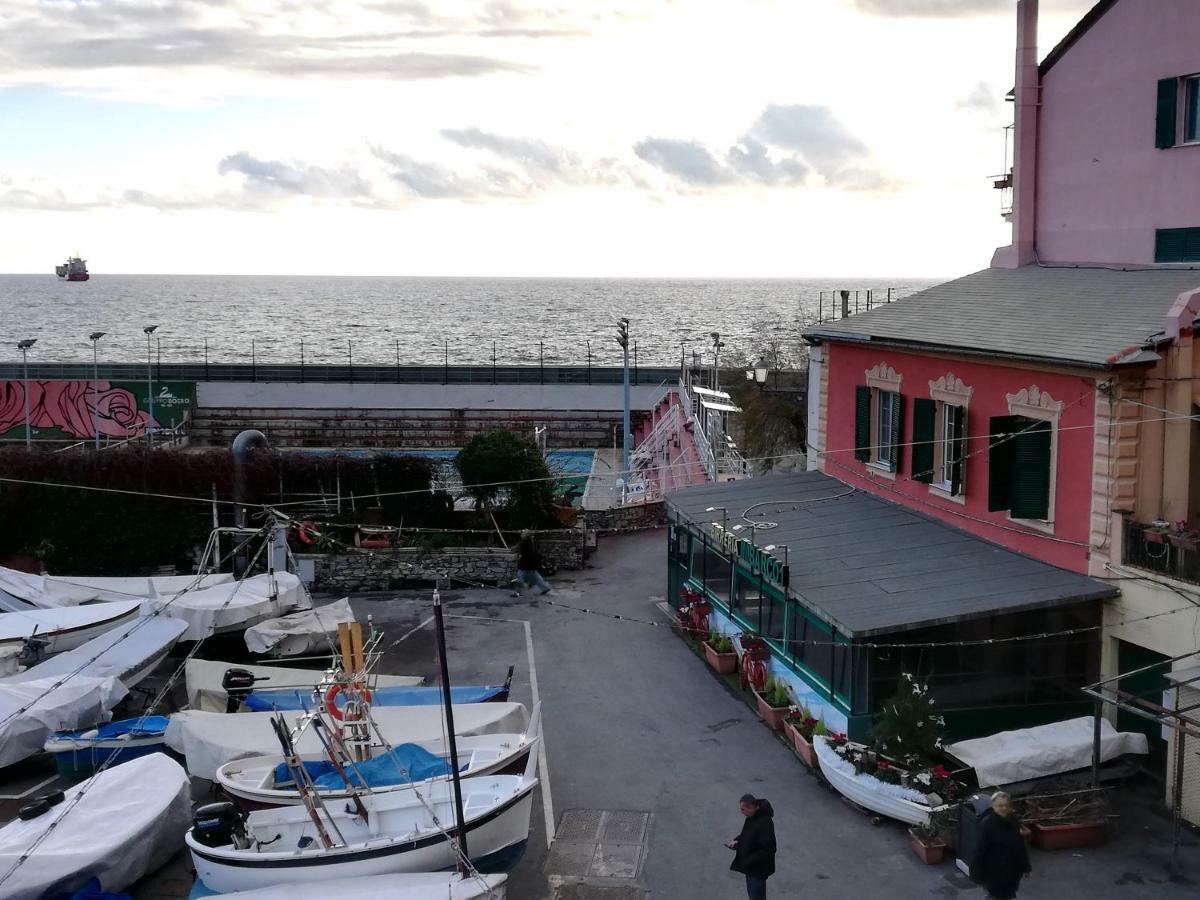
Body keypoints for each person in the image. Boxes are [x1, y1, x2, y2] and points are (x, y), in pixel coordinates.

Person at [970, 791, 1031, 899]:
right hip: (994, 873)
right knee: (999, 895)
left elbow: (1019, 845)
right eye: (1000, 805)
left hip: (1012, 871)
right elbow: (979, 851)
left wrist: (1026, 867)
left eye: (1006, 805)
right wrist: (977, 876)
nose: (1003, 808)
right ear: (993, 806)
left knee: (1006, 895)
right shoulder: (987, 825)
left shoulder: (1013, 821)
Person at [726, 794, 775, 900]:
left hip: (757, 870)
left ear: (751, 807)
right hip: (751, 867)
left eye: (743, 809)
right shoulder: (752, 817)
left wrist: (748, 860)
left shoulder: (764, 823)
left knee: (756, 897)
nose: (741, 812)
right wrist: (737, 841)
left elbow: (769, 849)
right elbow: (748, 834)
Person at [511, 530, 552, 597]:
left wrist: (513, 549)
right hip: (532, 564)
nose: (521, 534)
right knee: (537, 578)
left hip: (525, 564)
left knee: (519, 577)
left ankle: (517, 592)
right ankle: (545, 588)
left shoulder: (523, 542)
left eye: (522, 533)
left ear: (525, 535)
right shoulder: (531, 542)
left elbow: (514, 549)